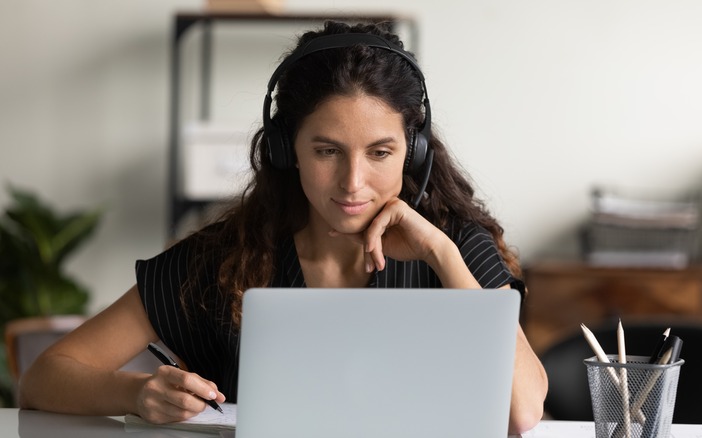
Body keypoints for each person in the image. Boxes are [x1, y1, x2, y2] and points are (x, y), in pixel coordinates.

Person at [19, 21, 548, 434]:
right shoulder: (226, 256)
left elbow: (522, 412)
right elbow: (44, 376)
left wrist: (440, 253)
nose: (353, 182)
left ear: (414, 152)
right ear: (284, 149)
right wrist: (134, 394)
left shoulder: (453, 244)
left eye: (381, 152)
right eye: (326, 151)